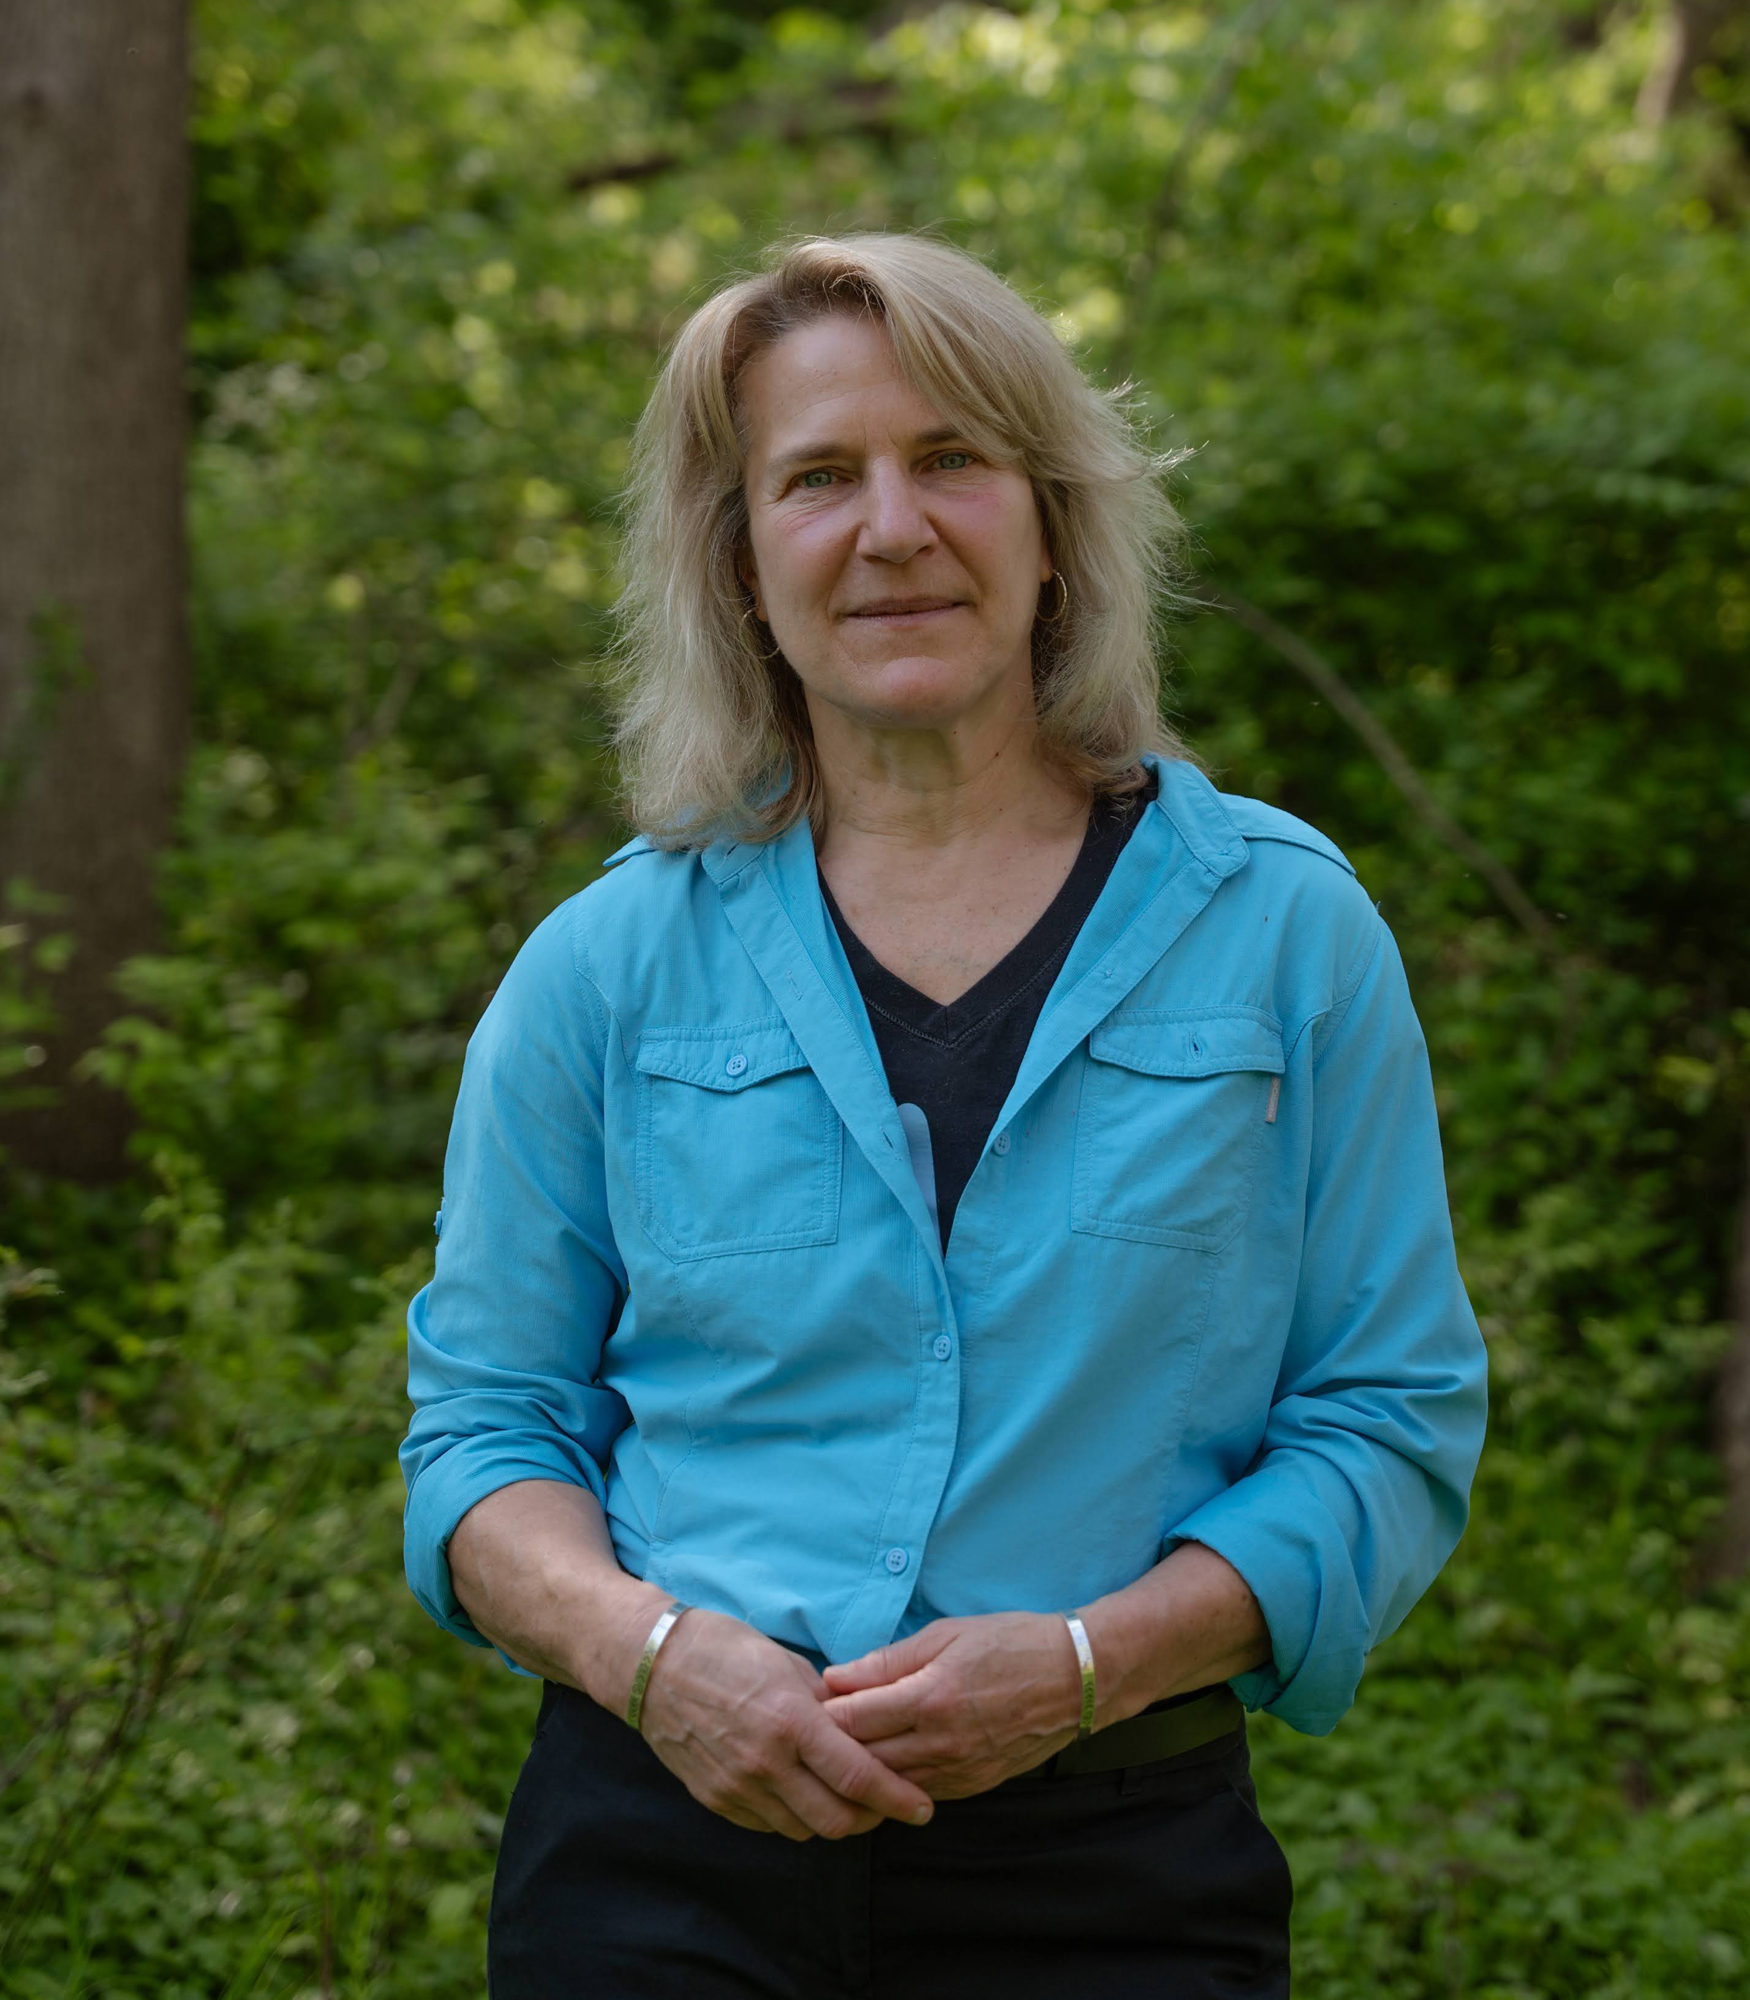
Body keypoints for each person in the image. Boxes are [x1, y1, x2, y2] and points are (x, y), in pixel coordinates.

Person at [400, 232, 1487, 1999]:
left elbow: (1386, 1418)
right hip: (660, 1870)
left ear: (1052, 523)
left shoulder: (1287, 934)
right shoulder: (603, 967)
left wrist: (1087, 1660)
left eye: (953, 461)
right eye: (817, 477)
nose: (890, 527)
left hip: (1115, 1875)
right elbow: (484, 1434)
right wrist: (655, 1657)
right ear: (741, 560)